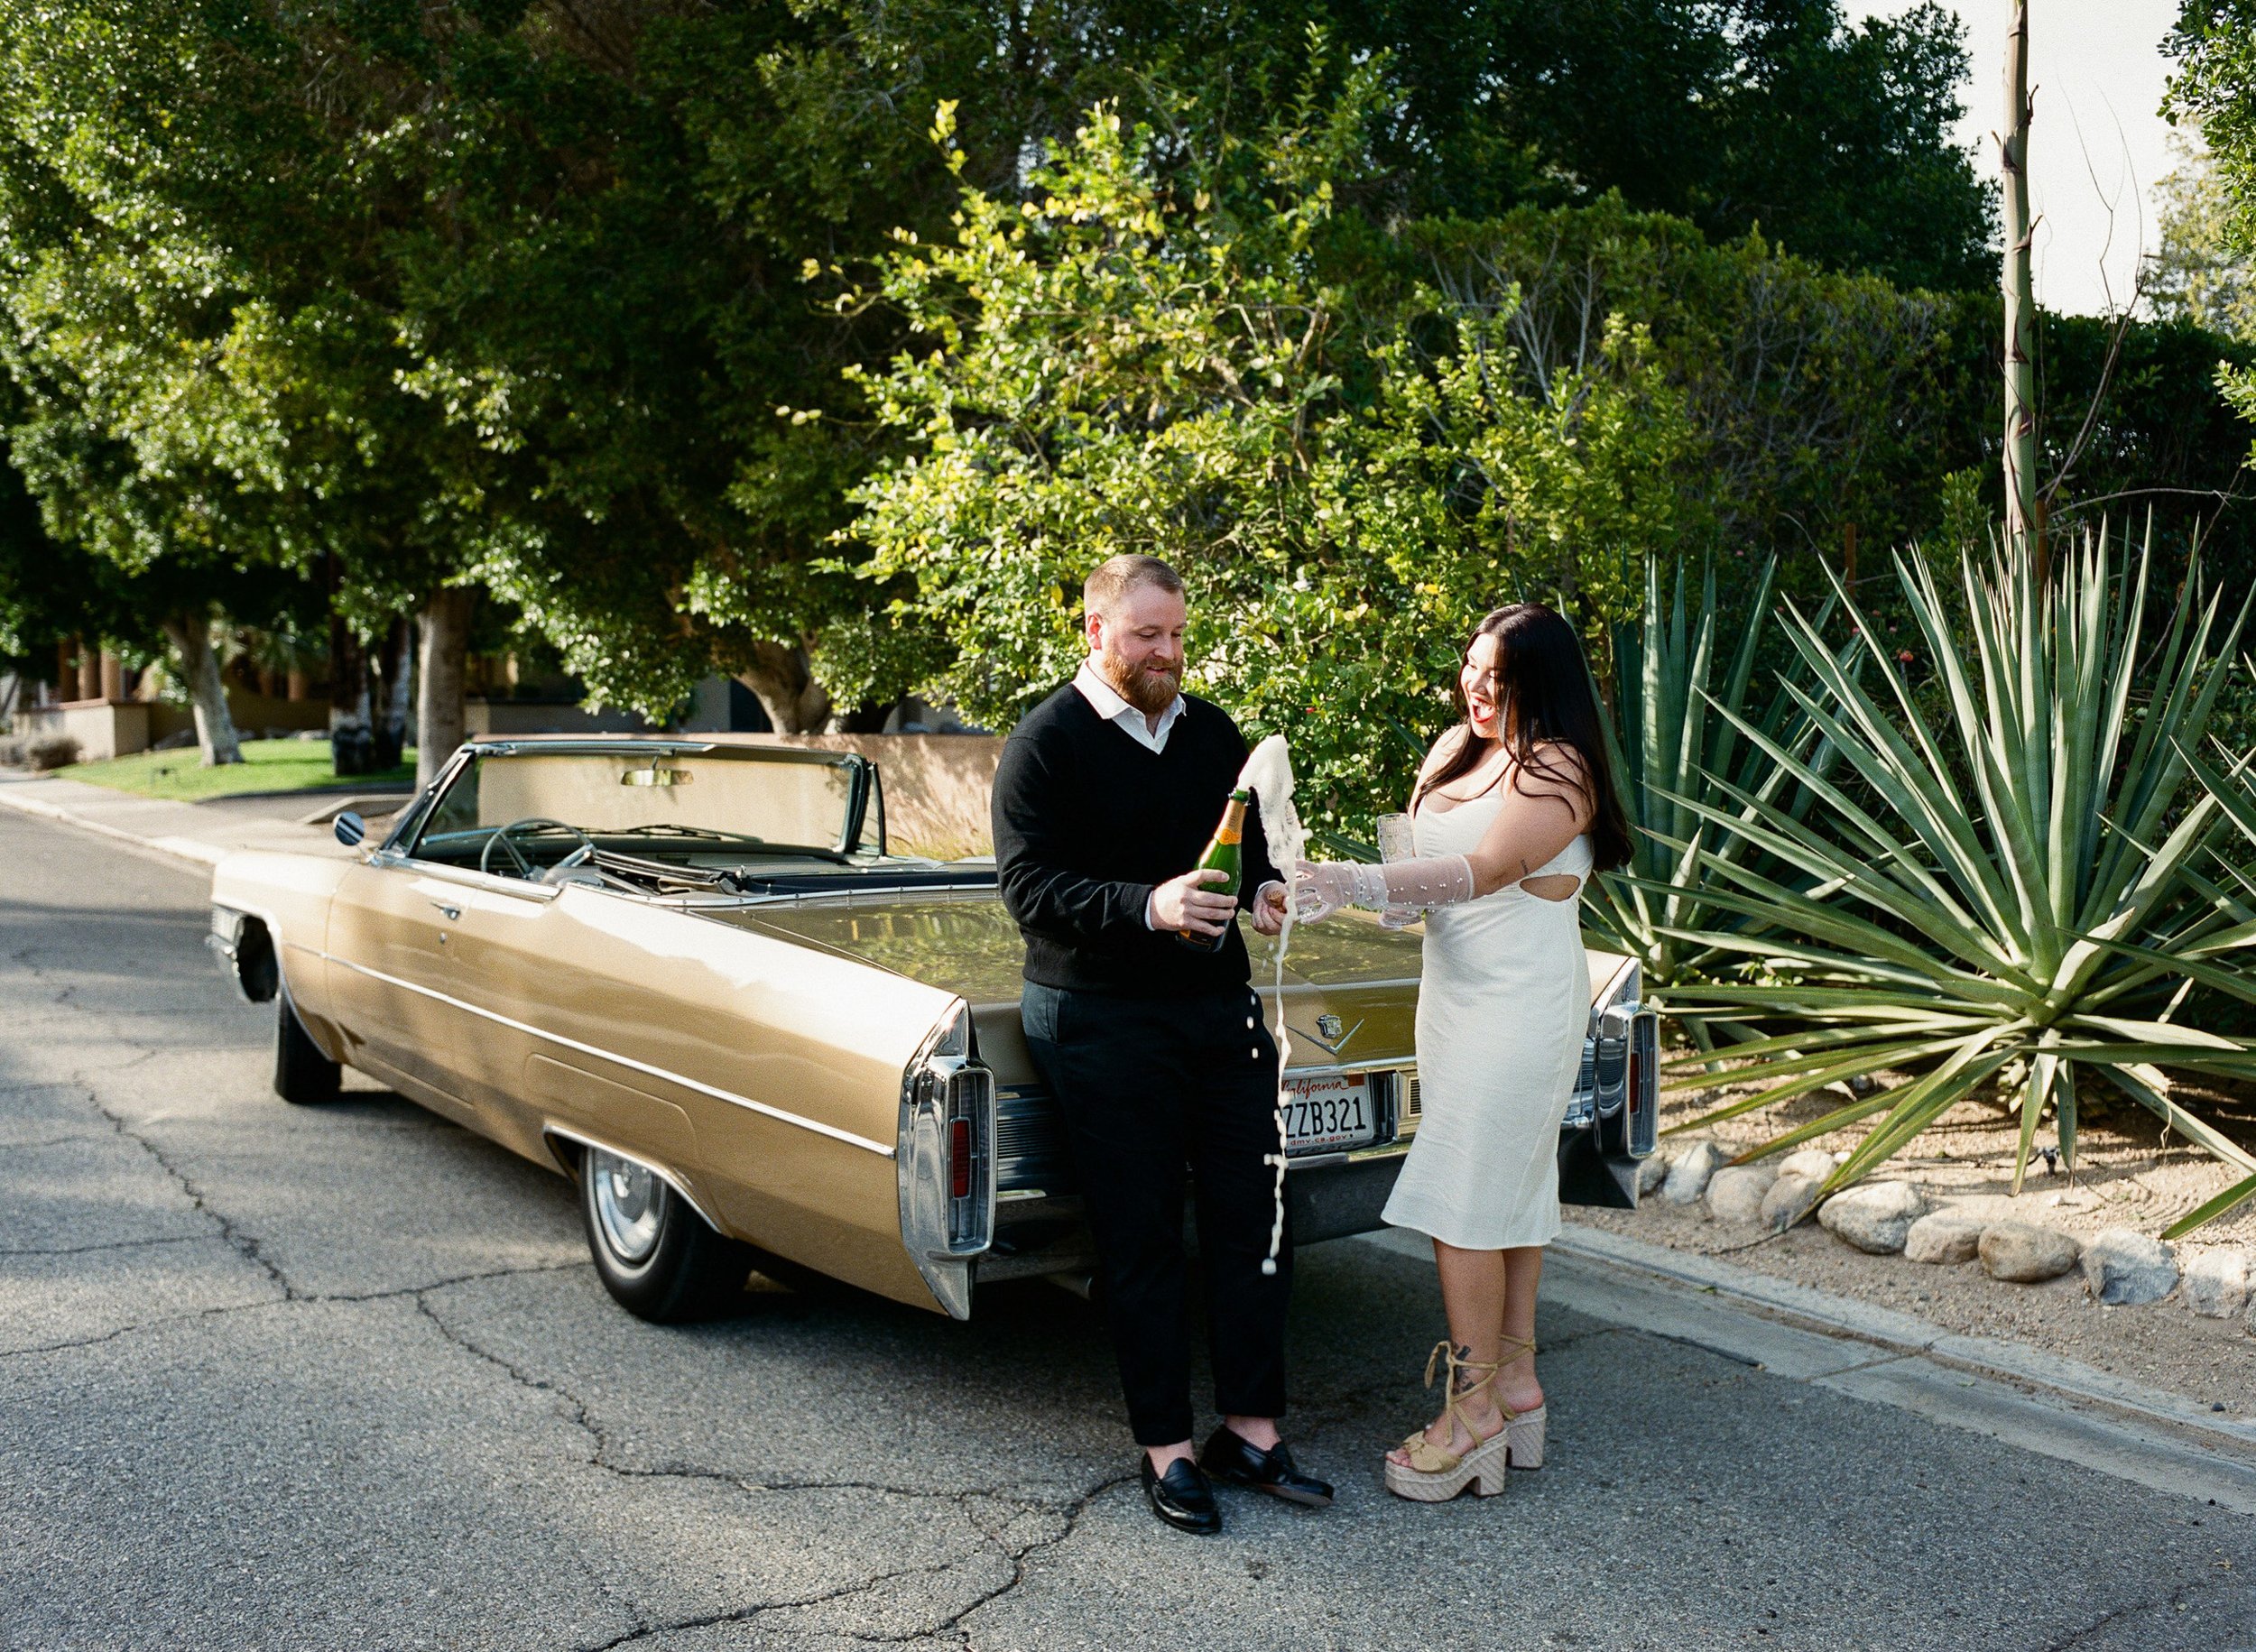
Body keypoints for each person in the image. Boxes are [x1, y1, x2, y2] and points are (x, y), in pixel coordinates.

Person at [992, 552, 1332, 1536]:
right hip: (1100, 1017)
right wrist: (1148, 904)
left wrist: (1266, 894)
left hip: (1216, 1013)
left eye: (1178, 634)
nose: (1169, 653)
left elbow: (1252, 857)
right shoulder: (1043, 744)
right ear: (1095, 631)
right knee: (1140, 1237)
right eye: (1148, 635)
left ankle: (1251, 1432)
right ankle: (1167, 1449)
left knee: (1254, 1221)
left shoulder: (1212, 731)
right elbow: (1028, 891)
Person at [1293, 603, 1632, 1502]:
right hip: (1449, 998)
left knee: (1466, 1200)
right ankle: (1517, 1386)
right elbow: (1421, 855)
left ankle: (1473, 1410)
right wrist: (1391, 893)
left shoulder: (1558, 766)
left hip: (1521, 1006)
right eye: (1472, 668)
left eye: (1501, 675)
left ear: (1543, 683)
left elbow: (1486, 871)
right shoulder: (1454, 745)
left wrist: (1353, 883)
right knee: (1506, 1192)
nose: (1477, 687)